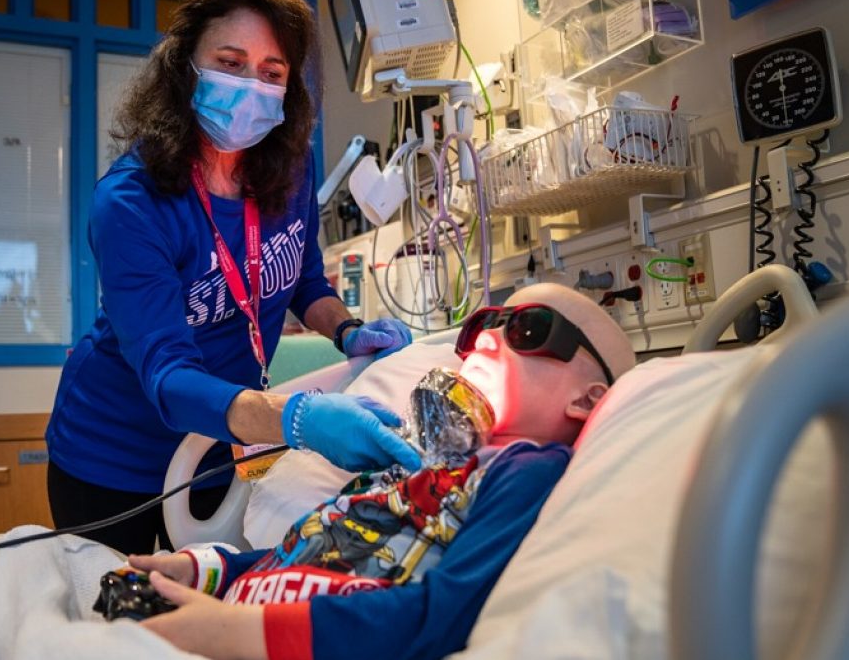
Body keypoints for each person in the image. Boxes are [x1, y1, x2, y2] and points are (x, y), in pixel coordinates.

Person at [45, 0, 419, 556]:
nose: (252, 84)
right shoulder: (132, 202)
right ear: (184, 68)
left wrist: (347, 331)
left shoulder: (287, 171)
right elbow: (168, 380)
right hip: (112, 456)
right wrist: (298, 418)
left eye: (272, 72)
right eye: (229, 62)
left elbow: (301, 278)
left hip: (223, 447)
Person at [125, 283, 637, 660]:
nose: (487, 339)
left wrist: (233, 633)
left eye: (529, 329)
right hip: (230, 613)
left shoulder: (526, 472)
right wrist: (207, 570)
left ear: (589, 399)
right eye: (484, 324)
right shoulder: (414, 453)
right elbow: (313, 542)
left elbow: (440, 617)